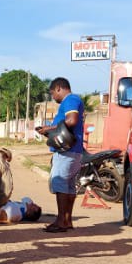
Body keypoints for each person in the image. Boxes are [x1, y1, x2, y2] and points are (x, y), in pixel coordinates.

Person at [35, 77, 85, 232]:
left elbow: (71, 120)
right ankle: (67, 220)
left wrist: (49, 129)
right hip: (74, 151)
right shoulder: (72, 100)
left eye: (52, 93)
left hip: (66, 152)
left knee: (60, 184)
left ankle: (61, 221)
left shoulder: (70, 100)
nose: (53, 97)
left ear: (58, 88)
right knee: (69, 187)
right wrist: (48, 129)